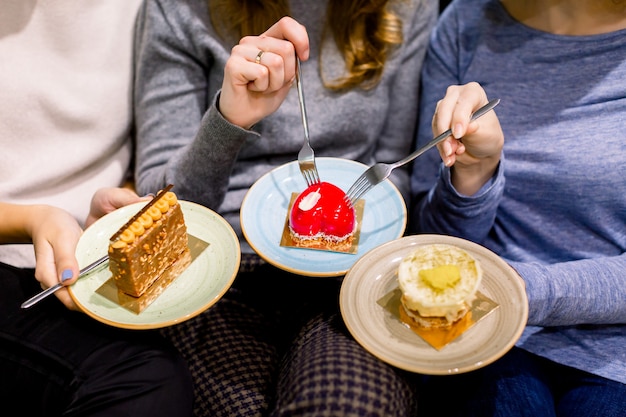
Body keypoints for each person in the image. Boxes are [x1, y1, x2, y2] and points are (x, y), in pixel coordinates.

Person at [133, 0, 438, 415]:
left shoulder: (405, 7)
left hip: (347, 274)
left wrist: (344, 227)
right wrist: (228, 121)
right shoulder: (180, 9)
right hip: (222, 271)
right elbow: (160, 205)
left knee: (347, 407)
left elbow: (393, 168)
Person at [409, 0, 626, 415]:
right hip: (483, 326)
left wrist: (519, 290)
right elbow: (434, 237)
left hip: (612, 350)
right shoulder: (465, 22)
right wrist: (473, 173)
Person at [0, 1, 194, 415]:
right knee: (144, 379)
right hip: (11, 254)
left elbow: (138, 157)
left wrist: (103, 221)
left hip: (76, 267)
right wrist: (33, 219)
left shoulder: (142, 10)